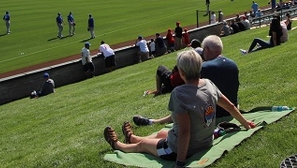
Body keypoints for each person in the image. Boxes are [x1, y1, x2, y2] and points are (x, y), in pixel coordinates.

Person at [103, 50, 255, 165]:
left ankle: (118, 145)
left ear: (181, 72)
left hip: (181, 150)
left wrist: (180, 162)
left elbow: (184, 131)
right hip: (205, 141)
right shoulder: (209, 84)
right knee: (163, 132)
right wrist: (245, 123)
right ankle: (132, 138)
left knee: (142, 146)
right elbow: (230, 107)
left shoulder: (179, 93)